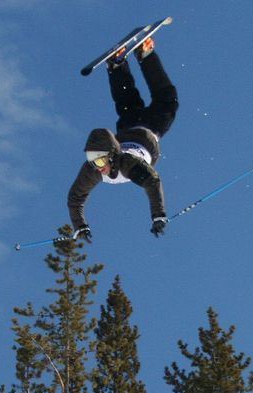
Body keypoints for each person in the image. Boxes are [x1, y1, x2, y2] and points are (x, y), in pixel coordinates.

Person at [67, 37, 179, 242]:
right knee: (128, 100)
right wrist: (80, 226)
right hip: (127, 128)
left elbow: (152, 181)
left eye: (100, 161)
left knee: (166, 101)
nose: (98, 167)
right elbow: (75, 198)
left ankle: (133, 60)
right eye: (93, 160)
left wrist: (158, 215)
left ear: (113, 155)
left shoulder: (128, 164)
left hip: (150, 127)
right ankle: (120, 65)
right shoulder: (92, 170)